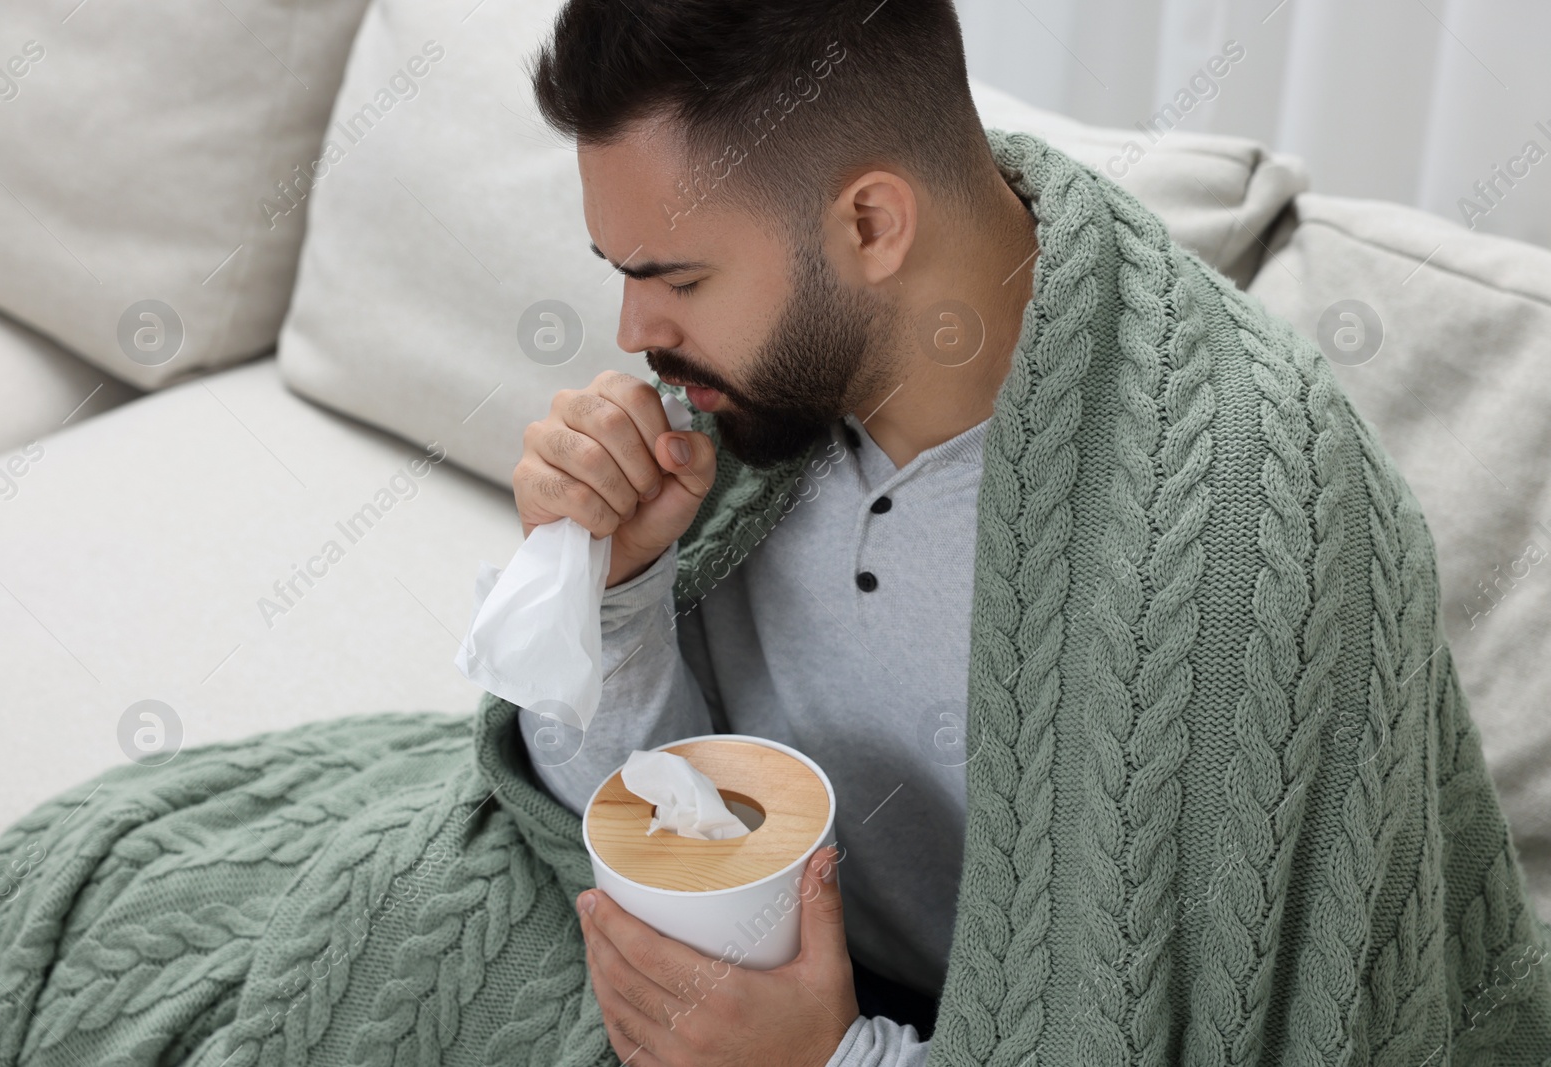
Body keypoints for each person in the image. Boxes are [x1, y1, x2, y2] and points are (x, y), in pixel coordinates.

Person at [507, 1, 1551, 1066]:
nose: (635, 333)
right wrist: (608, 584)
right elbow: (644, 818)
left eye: (675, 278)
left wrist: (835, 1056)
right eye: (620, 269)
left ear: (870, 224)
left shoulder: (1243, 537)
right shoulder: (744, 413)